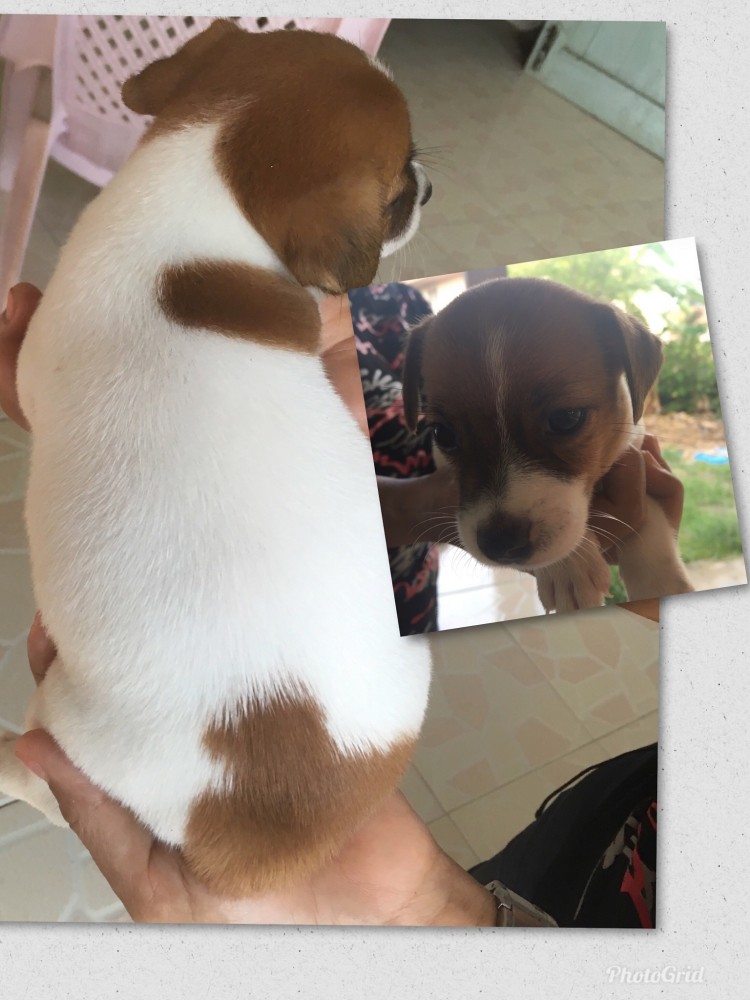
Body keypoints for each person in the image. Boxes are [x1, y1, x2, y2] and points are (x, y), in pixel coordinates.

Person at [1, 285, 681, 925]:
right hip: (579, 846)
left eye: (562, 421)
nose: (500, 508)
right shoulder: (415, 333)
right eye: (448, 435)